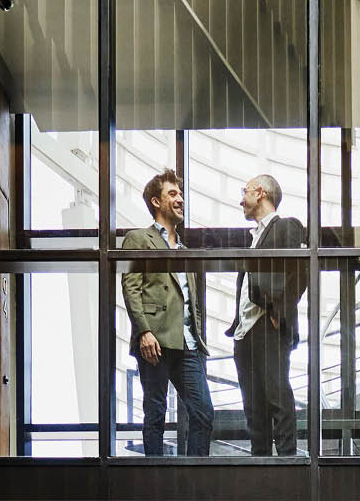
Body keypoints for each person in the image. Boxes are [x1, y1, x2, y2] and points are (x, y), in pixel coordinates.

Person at [121, 169, 213, 456]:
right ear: (155, 202)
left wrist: (198, 341)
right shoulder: (139, 238)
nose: (180, 199)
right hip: (155, 342)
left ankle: (194, 483)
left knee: (203, 413)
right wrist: (143, 332)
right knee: (155, 414)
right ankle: (155, 484)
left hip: (187, 344)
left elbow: (194, 303)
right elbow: (131, 287)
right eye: (173, 194)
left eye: (181, 194)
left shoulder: (186, 250)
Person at [226, 174, 308, 455]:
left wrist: (279, 311)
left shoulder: (286, 226)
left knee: (277, 396)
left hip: (267, 323)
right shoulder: (253, 237)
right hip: (245, 331)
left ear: (259, 192)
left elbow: (299, 274)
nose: (241, 199)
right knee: (253, 406)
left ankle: (288, 464)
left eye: (245, 192)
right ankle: (259, 465)